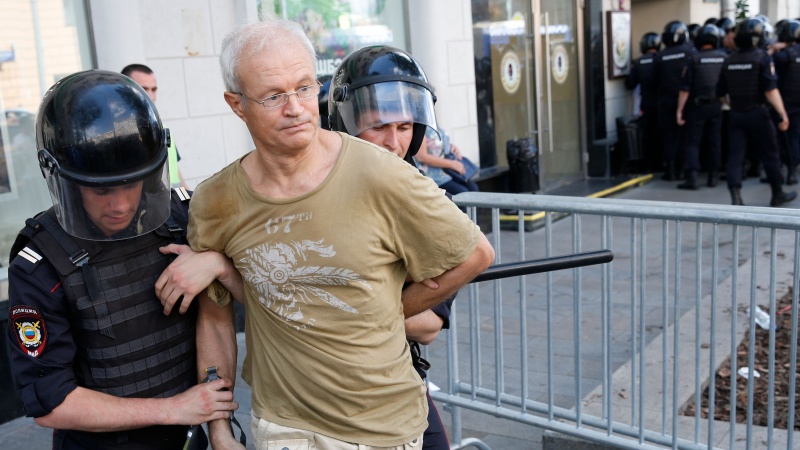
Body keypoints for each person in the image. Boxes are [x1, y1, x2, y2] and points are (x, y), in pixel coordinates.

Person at [174, 18, 495, 450]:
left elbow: (476, 255)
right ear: (237, 104)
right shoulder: (215, 200)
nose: (295, 108)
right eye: (273, 96)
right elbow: (215, 320)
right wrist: (220, 429)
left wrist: (387, 311)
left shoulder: (381, 173)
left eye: (304, 88)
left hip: (381, 429)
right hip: (282, 425)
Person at [5, 70, 237, 449]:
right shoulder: (40, 265)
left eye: (131, 184)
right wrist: (172, 409)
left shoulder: (185, 218)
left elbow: (232, 311)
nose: (120, 205)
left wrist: (219, 265)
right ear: (65, 181)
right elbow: (52, 403)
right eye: (101, 191)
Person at [326, 44, 457, 450]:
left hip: (397, 380)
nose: (393, 142)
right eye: (379, 126)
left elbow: (428, 325)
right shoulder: (308, 197)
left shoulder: (430, 206)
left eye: (404, 127)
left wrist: (335, 307)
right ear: (345, 123)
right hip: (321, 394)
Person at [716, 18, 796, 206]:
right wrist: (783, 114)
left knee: (735, 156)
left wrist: (732, 104)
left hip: (736, 114)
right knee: (770, 154)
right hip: (758, 113)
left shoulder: (729, 60)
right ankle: (777, 193)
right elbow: (770, 90)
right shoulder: (762, 58)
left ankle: (736, 197)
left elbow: (719, 93)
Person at [676, 24, 727, 189]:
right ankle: (713, 176)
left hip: (697, 106)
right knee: (715, 141)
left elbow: (685, 89)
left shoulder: (693, 59)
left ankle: (692, 178)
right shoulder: (724, 58)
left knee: (693, 141)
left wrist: (679, 110)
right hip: (716, 106)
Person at [121, 63, 188, 189]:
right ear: (124, 92)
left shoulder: (163, 128)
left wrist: (188, 198)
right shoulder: (118, 135)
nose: (151, 96)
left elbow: (175, 173)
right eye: (144, 89)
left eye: (154, 90)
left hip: (176, 196)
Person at [655, 20, 695, 180]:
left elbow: (655, 79)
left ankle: (670, 169)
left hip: (666, 99)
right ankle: (682, 169)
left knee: (669, 135)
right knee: (686, 136)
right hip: (686, 100)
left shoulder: (660, 56)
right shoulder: (690, 52)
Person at [626, 32, 662, 172]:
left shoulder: (639, 62)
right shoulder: (662, 59)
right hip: (661, 102)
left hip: (646, 102)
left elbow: (630, 84)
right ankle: (662, 164)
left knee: (647, 134)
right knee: (662, 133)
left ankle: (649, 165)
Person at [773, 19, 800, 185]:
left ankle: (787, 170)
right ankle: (792, 170)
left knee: (785, 138)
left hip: (786, 102)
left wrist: (773, 49)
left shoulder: (783, 55)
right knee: (795, 136)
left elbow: (766, 61)